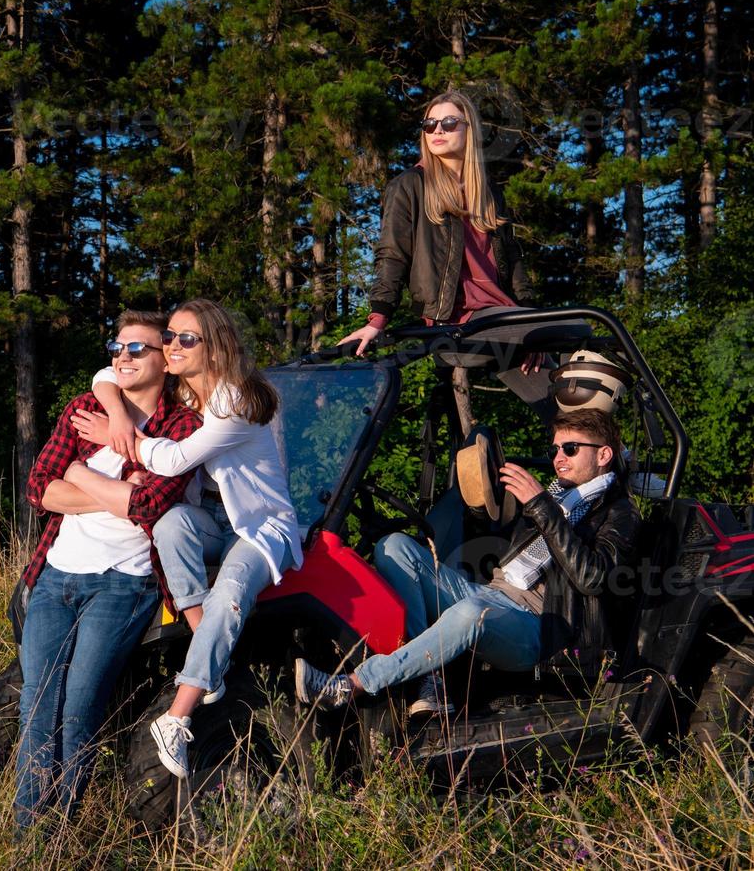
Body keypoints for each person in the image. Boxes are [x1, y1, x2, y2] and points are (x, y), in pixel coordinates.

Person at [75, 298, 299, 778]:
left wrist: (126, 437)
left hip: (258, 524)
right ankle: (208, 646)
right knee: (171, 521)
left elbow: (174, 461)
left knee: (234, 588)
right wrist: (116, 414)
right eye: (170, 337)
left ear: (214, 348)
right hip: (211, 519)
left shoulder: (235, 400)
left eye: (185, 339)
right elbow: (104, 373)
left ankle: (177, 715)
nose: (172, 346)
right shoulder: (185, 395)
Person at [294, 408, 640, 715]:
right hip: (495, 592)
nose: (558, 458)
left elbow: (592, 577)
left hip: (540, 628)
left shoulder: (619, 513)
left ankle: (350, 686)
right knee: (395, 546)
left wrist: (542, 507)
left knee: (472, 611)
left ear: (604, 454)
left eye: (570, 449)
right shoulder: (557, 496)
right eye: (555, 450)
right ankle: (429, 681)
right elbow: (504, 531)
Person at [13, 310, 203, 831]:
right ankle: (27, 833)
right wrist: (112, 487)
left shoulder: (182, 428)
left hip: (125, 581)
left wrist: (75, 478)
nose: (122, 355)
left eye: (136, 348)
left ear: (165, 360)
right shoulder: (83, 409)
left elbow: (150, 507)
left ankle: (62, 828)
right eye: (116, 346)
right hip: (55, 575)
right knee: (37, 699)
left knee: (80, 702)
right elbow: (38, 489)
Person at [338, 89, 581, 418]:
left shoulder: (488, 192)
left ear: (470, 129)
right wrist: (377, 319)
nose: (437, 130)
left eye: (449, 123)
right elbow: (393, 254)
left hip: (503, 318)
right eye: (430, 124)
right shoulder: (410, 185)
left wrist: (529, 318)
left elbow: (515, 263)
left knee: (567, 406)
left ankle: (608, 457)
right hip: (457, 320)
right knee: (572, 328)